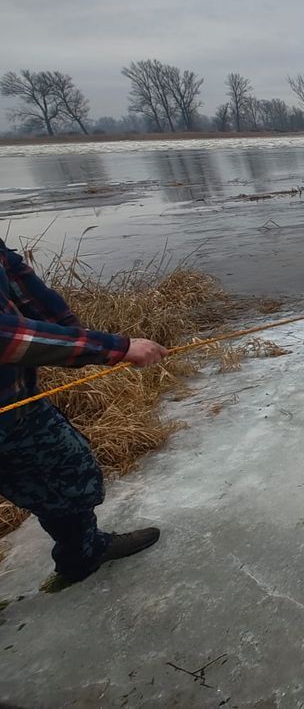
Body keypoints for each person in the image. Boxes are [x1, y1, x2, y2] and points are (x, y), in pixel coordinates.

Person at [0, 237, 168, 586]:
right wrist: (114, 349)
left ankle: (82, 553)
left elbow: (23, 285)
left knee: (70, 471)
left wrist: (74, 334)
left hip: (15, 402)